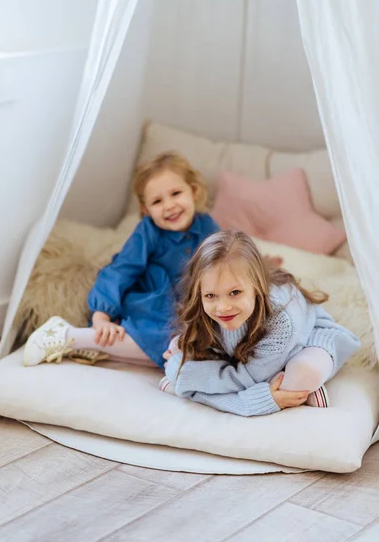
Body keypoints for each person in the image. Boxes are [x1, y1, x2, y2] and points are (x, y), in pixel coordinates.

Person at [23, 151, 219, 368]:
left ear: (193, 191)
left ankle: (89, 347)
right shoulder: (148, 231)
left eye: (176, 193)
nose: (169, 205)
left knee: (193, 347)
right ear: (146, 210)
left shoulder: (206, 225)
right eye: (157, 201)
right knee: (167, 341)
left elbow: (222, 264)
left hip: (185, 305)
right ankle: (66, 334)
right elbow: (121, 270)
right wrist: (102, 315)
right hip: (152, 302)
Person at [160, 230, 360, 414]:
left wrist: (183, 377)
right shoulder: (208, 311)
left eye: (235, 293)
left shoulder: (280, 320)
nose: (222, 307)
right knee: (177, 346)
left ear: (257, 287)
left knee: (304, 373)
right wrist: (185, 370)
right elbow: (237, 372)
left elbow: (248, 377)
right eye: (211, 295)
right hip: (254, 359)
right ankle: (276, 380)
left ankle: (289, 382)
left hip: (307, 342)